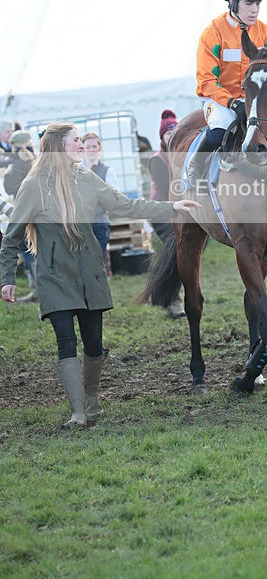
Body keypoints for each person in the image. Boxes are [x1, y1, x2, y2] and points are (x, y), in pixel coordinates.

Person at [0, 122, 200, 428]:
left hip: (90, 273)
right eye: (75, 140)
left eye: (81, 140)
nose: (81, 145)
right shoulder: (34, 185)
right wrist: (7, 279)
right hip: (54, 276)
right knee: (66, 341)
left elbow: (127, 206)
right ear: (58, 146)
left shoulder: (87, 178)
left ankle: (92, 400)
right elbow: (12, 236)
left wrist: (172, 207)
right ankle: (77, 413)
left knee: (94, 344)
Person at [188, 0, 267, 186]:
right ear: (232, 3)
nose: (254, 10)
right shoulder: (213, 33)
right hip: (221, 101)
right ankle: (196, 165)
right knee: (221, 128)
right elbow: (206, 81)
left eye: (258, 3)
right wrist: (231, 102)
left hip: (259, 100)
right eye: (248, 3)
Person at [148, 109, 186, 318]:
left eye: (174, 131)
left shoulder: (183, 157)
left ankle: (168, 297)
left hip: (179, 213)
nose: (171, 136)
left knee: (180, 255)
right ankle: (173, 300)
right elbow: (166, 189)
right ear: (162, 136)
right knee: (176, 253)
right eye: (168, 133)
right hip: (161, 213)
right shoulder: (157, 160)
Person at [3, 129, 39, 302]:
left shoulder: (16, 164)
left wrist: (7, 172)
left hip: (23, 213)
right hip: (39, 212)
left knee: (27, 251)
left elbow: (9, 188)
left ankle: (37, 291)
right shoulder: (37, 161)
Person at [81, 132, 119, 262]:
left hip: (99, 224)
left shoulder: (107, 171)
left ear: (99, 149)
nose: (91, 150)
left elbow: (114, 197)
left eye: (94, 146)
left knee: (96, 260)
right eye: (87, 147)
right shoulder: (75, 170)